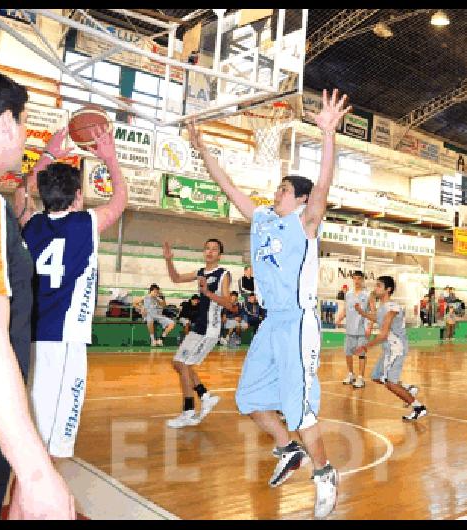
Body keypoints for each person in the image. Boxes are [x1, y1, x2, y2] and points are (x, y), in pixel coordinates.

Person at [188, 88, 350, 518]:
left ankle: (325, 472)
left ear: (298, 200)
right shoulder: (262, 219)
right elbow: (227, 187)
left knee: (299, 408)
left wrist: (328, 135)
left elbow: (324, 186)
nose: (274, 194)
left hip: (298, 323)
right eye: (276, 189)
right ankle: (288, 451)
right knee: (249, 399)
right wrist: (203, 149)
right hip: (270, 323)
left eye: (282, 190)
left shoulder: (305, 224)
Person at [0, 64, 74, 519]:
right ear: (7, 121)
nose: (26, 135)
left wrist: (46, 156)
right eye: (25, 123)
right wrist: (34, 472)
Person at [17, 117, 127, 463]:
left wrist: (48, 154)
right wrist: (109, 158)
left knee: (33, 418)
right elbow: (120, 199)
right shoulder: (86, 223)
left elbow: (22, 191)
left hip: (32, 334)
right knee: (56, 435)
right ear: (78, 196)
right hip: (64, 339)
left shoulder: (30, 223)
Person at [163, 239, 232, 427]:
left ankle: (188, 411)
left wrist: (208, 293)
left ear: (220, 255)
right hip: (198, 326)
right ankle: (204, 395)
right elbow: (176, 279)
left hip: (210, 328)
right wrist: (169, 260)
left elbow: (229, 304)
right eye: (207, 248)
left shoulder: (223, 274)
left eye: (214, 249)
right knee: (178, 363)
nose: (210, 252)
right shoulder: (201, 272)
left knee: (185, 365)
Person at [354, 276, 427, 420]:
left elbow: (382, 335)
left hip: (396, 348)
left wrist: (365, 346)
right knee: (376, 377)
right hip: (388, 349)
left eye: (379, 286)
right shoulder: (383, 307)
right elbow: (378, 319)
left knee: (390, 383)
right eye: (376, 285)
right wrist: (362, 313)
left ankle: (419, 407)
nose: (376, 288)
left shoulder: (392, 308)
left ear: (388, 289)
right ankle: (408, 388)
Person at [335, 270, 374, 389]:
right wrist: (340, 318)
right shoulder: (348, 294)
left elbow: (373, 311)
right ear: (352, 279)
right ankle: (351, 374)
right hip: (350, 329)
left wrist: (370, 327)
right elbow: (346, 308)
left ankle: (361, 378)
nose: (357, 281)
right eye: (355, 278)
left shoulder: (368, 295)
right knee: (348, 353)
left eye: (359, 278)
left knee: (361, 354)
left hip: (362, 329)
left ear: (362, 280)